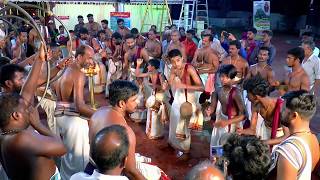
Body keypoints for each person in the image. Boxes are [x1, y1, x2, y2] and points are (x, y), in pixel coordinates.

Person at [0, 44, 67, 180]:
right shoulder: (20, 139)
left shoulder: (8, 130)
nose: (30, 109)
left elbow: (27, 93)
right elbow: (62, 148)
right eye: (25, 108)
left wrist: (39, 60)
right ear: (16, 115)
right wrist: (38, 125)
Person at [89, 80, 152, 180]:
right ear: (122, 103)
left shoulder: (98, 113)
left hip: (91, 167)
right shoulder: (124, 131)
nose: (138, 102)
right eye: (134, 100)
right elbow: (131, 171)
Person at [54, 45, 96, 180]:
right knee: (78, 158)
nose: (91, 61)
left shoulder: (63, 69)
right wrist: (99, 114)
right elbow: (79, 106)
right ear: (79, 57)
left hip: (61, 116)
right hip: (73, 121)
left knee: (68, 155)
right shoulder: (78, 73)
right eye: (89, 58)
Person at [269, 90, 320, 179]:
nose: (281, 112)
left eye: (284, 109)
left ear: (294, 115)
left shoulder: (289, 150)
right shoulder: (313, 139)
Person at [167, 49, 204, 157]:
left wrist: (184, 86)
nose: (176, 64)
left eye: (178, 60)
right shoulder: (173, 68)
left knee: (184, 125)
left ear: (182, 58)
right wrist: (169, 80)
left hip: (189, 98)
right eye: (172, 62)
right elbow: (170, 83)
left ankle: (184, 148)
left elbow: (202, 87)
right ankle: (174, 143)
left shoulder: (190, 68)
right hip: (178, 97)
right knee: (174, 119)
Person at [240, 74, 289, 145]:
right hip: (264, 131)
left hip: (279, 136)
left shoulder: (280, 105)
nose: (247, 96)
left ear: (256, 97)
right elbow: (252, 130)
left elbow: (286, 136)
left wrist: (263, 142)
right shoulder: (255, 105)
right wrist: (241, 131)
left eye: (248, 94)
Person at [209, 64, 246, 146]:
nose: (223, 79)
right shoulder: (218, 91)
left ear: (232, 78)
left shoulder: (236, 93)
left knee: (230, 149)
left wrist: (227, 122)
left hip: (233, 123)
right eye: (221, 76)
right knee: (218, 146)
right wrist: (209, 111)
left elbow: (244, 115)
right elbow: (212, 107)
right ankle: (218, 159)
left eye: (226, 77)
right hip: (222, 120)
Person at [135, 58, 169, 139]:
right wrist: (138, 65)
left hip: (160, 96)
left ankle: (156, 134)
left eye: (149, 65)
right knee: (151, 114)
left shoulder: (160, 75)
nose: (147, 67)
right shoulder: (150, 73)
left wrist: (154, 85)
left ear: (153, 67)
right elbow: (137, 75)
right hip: (153, 94)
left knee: (156, 115)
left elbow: (164, 88)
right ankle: (152, 132)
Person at [192, 34, 220, 98]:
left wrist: (203, 72)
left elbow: (216, 69)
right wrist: (195, 63)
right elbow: (192, 62)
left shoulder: (214, 54)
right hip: (197, 76)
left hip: (208, 78)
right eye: (203, 40)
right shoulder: (198, 51)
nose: (203, 42)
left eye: (205, 41)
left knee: (205, 99)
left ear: (211, 42)